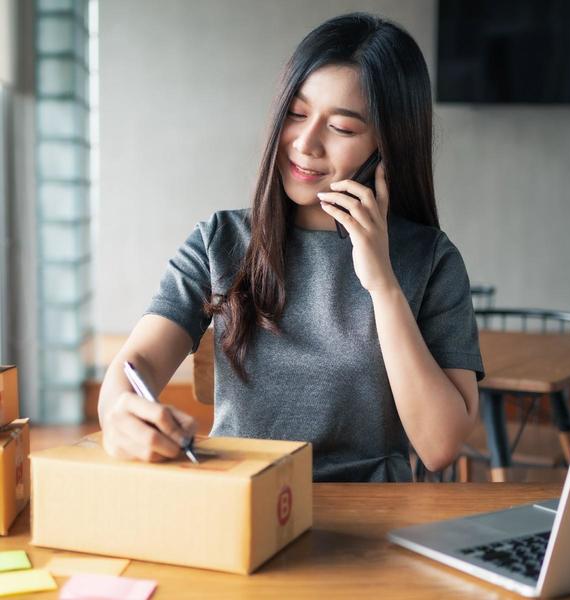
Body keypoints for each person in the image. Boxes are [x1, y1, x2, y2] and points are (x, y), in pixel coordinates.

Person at [98, 12, 484, 482]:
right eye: (297, 114)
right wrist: (121, 413)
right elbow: (133, 368)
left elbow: (439, 445)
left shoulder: (431, 260)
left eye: (342, 128)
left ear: (387, 147)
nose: (305, 142)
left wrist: (383, 284)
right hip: (245, 504)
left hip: (369, 516)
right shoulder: (218, 242)